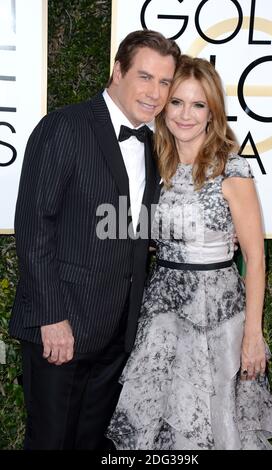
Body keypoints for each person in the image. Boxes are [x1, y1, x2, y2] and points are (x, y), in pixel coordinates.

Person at [9, 30, 180, 450]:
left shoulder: (156, 143)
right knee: (50, 443)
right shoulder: (65, 127)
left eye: (164, 82)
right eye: (145, 77)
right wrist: (52, 318)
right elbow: (34, 228)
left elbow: (132, 228)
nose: (154, 93)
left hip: (118, 332)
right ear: (117, 71)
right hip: (61, 325)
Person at [106, 55, 272, 450]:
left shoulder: (231, 170)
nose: (185, 115)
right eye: (177, 102)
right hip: (161, 313)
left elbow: (255, 259)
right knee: (161, 428)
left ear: (212, 113)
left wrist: (253, 335)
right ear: (165, 106)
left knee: (214, 422)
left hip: (217, 317)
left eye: (198, 104)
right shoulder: (156, 163)